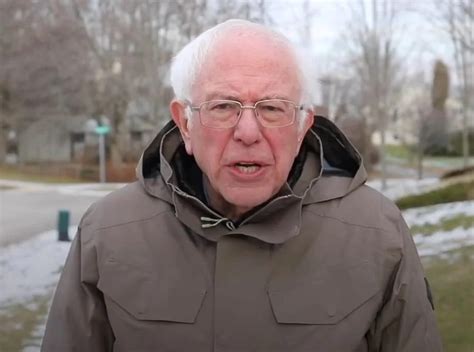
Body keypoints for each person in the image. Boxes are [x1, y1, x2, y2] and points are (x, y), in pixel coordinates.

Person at [42, 19, 443, 351]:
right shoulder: (108, 231)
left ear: (304, 124)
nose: (247, 132)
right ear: (185, 123)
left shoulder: (376, 233)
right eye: (222, 107)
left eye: (271, 108)